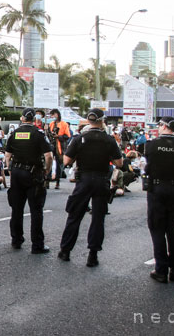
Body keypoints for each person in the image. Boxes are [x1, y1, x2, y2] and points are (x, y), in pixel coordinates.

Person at [58, 108, 123, 266]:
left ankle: (65, 251)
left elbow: (66, 161)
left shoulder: (80, 138)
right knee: (98, 218)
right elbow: (119, 163)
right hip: (101, 180)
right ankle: (93, 255)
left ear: (88, 120)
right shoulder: (109, 140)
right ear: (102, 121)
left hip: (84, 180)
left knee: (74, 215)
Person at [144, 116, 174, 283]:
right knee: (173, 229)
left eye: (159, 125)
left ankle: (161, 270)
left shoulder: (152, 144)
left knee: (157, 228)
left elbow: (148, 166)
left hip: (157, 188)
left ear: (163, 126)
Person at [4, 108, 54, 254]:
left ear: (22, 118)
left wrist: (10, 169)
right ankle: (37, 245)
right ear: (34, 119)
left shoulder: (15, 133)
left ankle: (16, 239)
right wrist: (47, 170)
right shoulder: (38, 134)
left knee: (17, 209)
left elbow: (7, 155)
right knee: (36, 210)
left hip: (17, 173)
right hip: (34, 174)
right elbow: (49, 156)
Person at [48, 109, 71, 190]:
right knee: (49, 161)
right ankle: (47, 180)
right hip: (51, 145)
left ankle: (57, 181)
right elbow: (48, 134)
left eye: (53, 115)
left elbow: (67, 136)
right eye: (51, 115)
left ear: (57, 114)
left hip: (60, 146)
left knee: (59, 164)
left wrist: (58, 136)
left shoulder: (64, 124)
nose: (52, 117)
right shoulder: (51, 124)